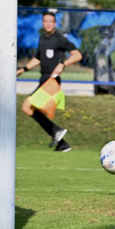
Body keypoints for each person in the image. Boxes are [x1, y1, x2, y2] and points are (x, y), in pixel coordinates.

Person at [17, 10, 82, 152]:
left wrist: (63, 64)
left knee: (27, 106)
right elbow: (38, 58)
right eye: (45, 21)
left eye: (51, 21)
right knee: (31, 108)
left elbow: (77, 55)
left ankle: (57, 131)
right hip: (43, 79)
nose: (48, 24)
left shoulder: (60, 39)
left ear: (55, 23)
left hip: (52, 80)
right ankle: (62, 142)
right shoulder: (42, 38)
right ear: (42, 23)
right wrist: (23, 69)